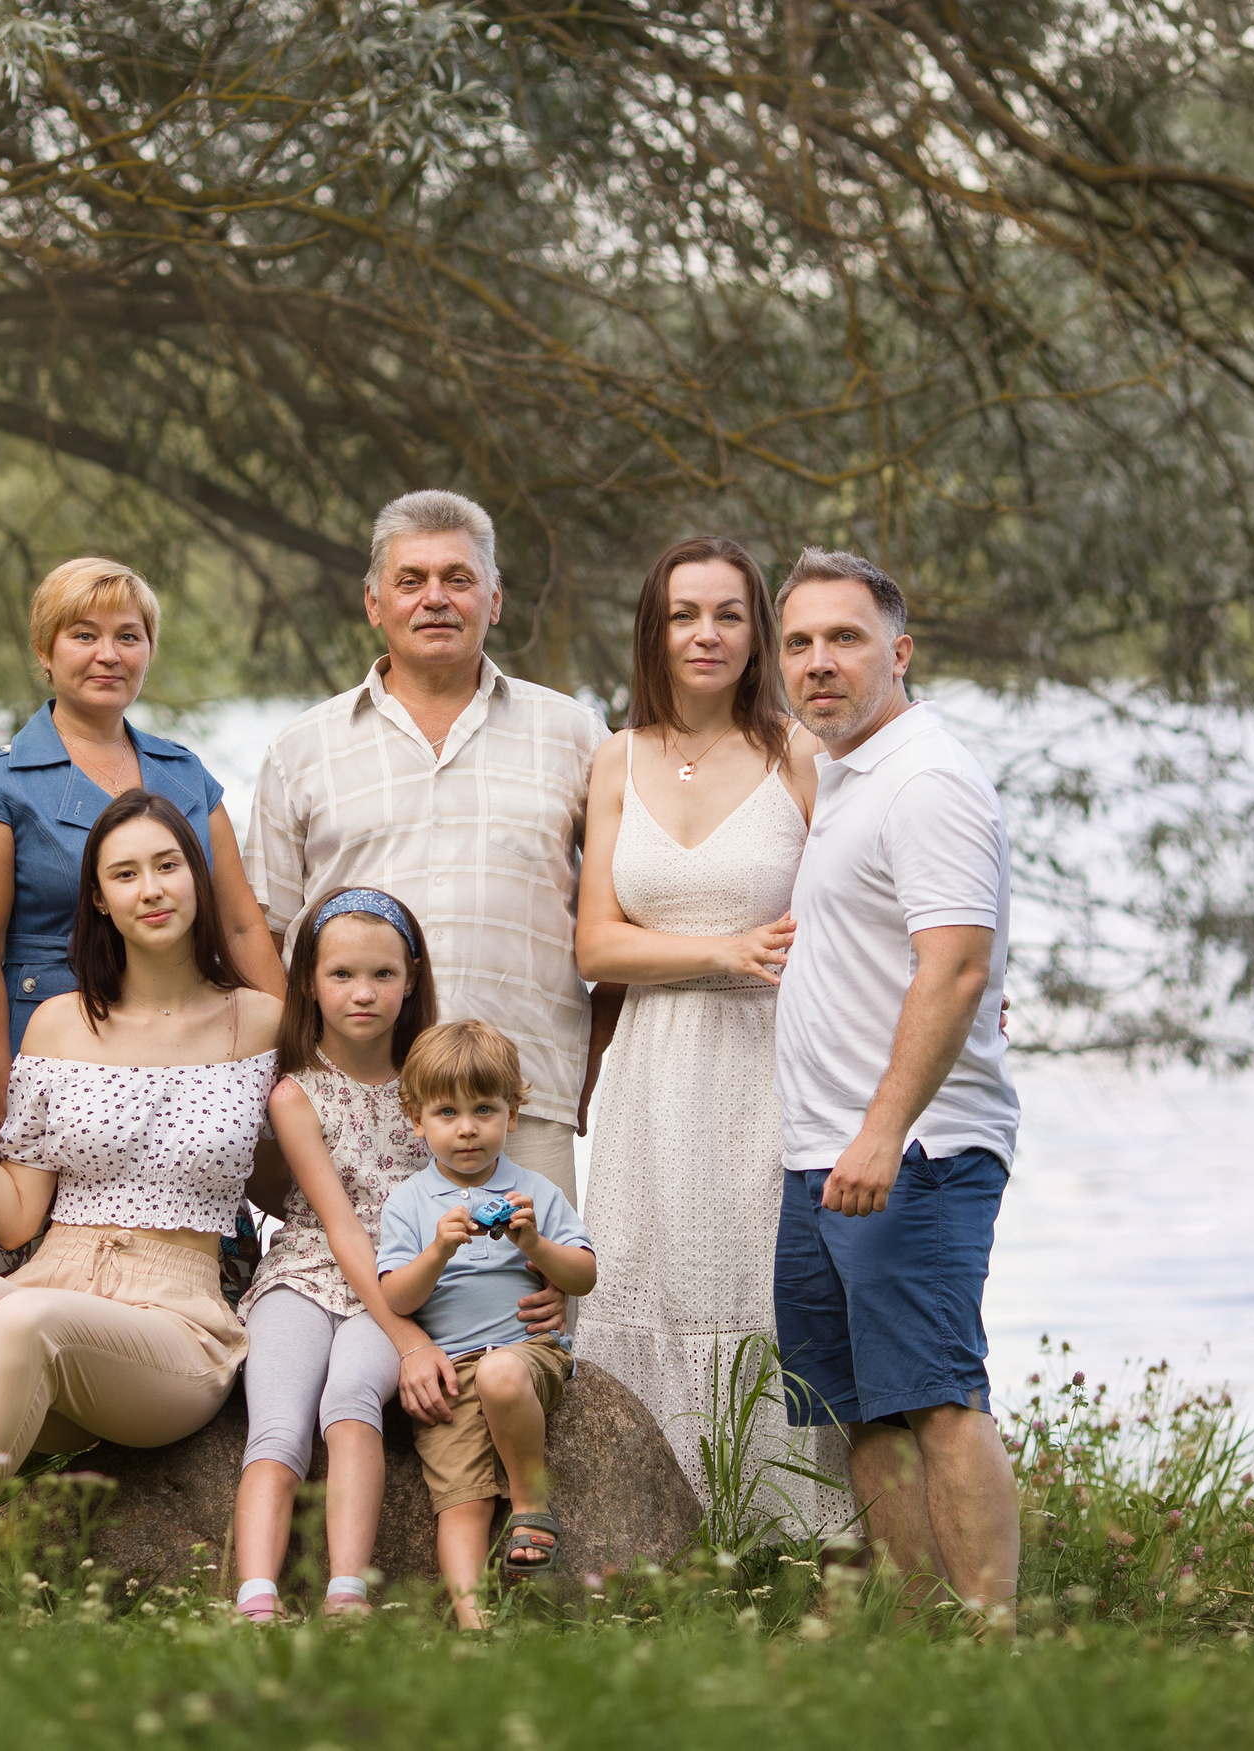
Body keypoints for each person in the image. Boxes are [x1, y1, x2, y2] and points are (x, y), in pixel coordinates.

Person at [0, 789, 283, 1594]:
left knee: (22, 1316)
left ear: (198, 879)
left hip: (175, 1326)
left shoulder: (259, 1022)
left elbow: (316, 1165)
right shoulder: (60, 1024)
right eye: (126, 874)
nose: (151, 888)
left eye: (168, 865)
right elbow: (15, 1217)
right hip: (50, 1287)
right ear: (100, 901)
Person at [570, 536, 847, 1537]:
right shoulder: (617, 756)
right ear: (655, 627)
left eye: (729, 613)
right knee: (648, 1274)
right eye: (686, 613)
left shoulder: (799, 754)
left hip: (772, 1064)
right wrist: (724, 950)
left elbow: (846, 919)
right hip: (653, 1066)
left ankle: (799, 1538)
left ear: (756, 630)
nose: (707, 633)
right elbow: (596, 940)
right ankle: (657, 1530)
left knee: (762, 1285)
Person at [770, 548, 1022, 1626]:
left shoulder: (924, 776)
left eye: (845, 638)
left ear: (899, 651)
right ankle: (922, 1634)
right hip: (821, 1151)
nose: (819, 662)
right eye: (799, 644)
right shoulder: (847, 771)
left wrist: (883, 1132)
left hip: (910, 1154)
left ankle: (992, 1640)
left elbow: (958, 962)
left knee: (939, 1399)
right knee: (863, 1412)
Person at [248, 491, 605, 1199]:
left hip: (522, 1100)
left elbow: (625, 912)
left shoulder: (573, 735)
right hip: (350, 1107)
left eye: (458, 578)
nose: (434, 598)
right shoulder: (302, 748)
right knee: (357, 1304)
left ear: (495, 599)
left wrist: (590, 1066)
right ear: (374, 602)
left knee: (526, 1309)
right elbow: (264, 934)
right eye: (411, 581)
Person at [0, 558, 284, 1144]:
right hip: (56, 1070)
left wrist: (297, 1063)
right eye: (84, 635)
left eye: (128, 636)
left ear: (149, 651)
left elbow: (239, 926)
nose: (109, 654)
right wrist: (4, 1096)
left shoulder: (186, 774)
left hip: (192, 1069)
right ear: (44, 652)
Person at [229, 888, 460, 1622]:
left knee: (351, 1398)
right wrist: (410, 1339)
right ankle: (256, 1596)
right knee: (277, 1421)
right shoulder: (296, 1092)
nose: (363, 993)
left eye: (383, 975)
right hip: (306, 1269)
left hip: (398, 1279)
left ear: (412, 978)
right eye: (341, 975)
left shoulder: (435, 1088)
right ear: (308, 982)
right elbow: (336, 1224)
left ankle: (346, 1593)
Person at [377, 1022, 598, 1628]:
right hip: (448, 1370)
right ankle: (476, 1633)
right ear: (417, 1120)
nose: (468, 1128)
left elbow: (582, 1276)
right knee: (461, 1502)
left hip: (527, 1354)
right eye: (447, 1112)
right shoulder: (408, 1202)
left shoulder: (535, 1192)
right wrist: (437, 1252)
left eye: (484, 1109)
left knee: (502, 1373)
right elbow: (395, 1296)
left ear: (513, 1116)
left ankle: (531, 1505)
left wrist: (534, 1243)